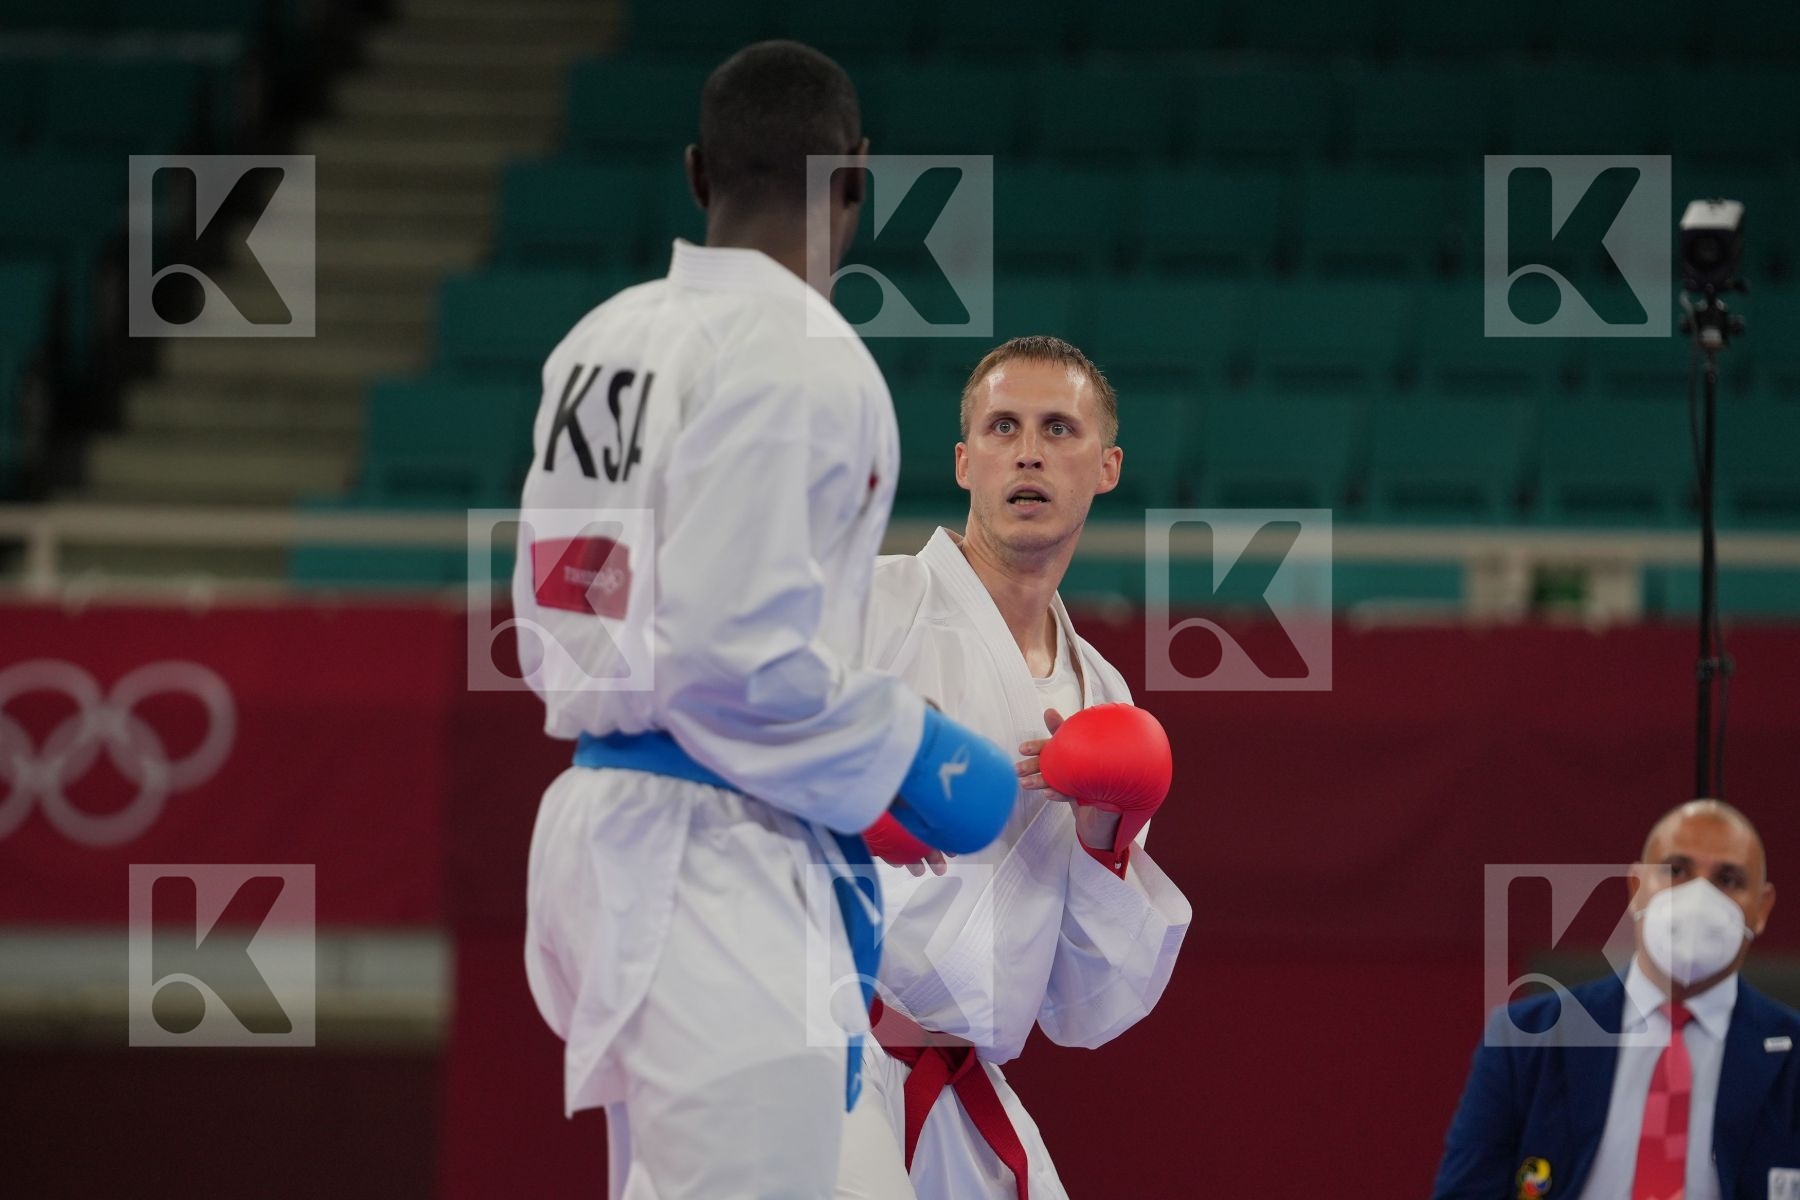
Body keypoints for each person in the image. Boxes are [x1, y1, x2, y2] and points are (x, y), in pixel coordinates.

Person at [514, 42, 1016, 1200]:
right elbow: (729, 658)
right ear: (857, 179)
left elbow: (575, 617)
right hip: (716, 863)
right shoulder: (808, 358)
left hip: (601, 826)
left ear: (698, 173)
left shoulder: (602, 340)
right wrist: (910, 751)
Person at [834, 336, 1193, 1200]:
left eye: (1058, 428)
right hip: (817, 1043)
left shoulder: (1101, 693)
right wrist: (853, 805)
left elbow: (1085, 1003)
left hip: (957, 1086)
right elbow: (716, 755)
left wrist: (1105, 842)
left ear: (1106, 468)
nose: (1029, 451)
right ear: (966, 461)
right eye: (1003, 427)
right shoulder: (870, 606)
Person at [1433, 799, 1800, 1199]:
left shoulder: (1793, 1059)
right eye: (1676, 871)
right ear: (1636, 889)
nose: (1699, 898)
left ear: (1762, 908)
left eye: (1728, 880)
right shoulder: (1525, 1041)